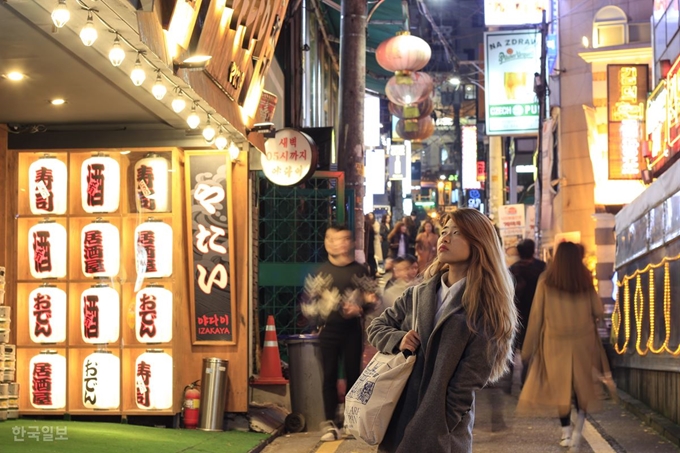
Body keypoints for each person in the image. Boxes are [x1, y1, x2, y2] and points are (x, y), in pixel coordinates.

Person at [367, 208, 518, 453]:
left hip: (440, 434)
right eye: (444, 231)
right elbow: (376, 327)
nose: (445, 238)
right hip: (398, 418)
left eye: (457, 233)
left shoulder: (485, 307)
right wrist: (398, 339)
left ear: (479, 243)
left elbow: (467, 383)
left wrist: (441, 424)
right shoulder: (418, 293)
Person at [518, 241, 606, 449]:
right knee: (581, 386)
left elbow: (537, 315)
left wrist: (527, 349)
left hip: (554, 343)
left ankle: (566, 432)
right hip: (583, 342)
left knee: (562, 388)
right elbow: (598, 310)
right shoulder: (584, 279)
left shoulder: (547, 280)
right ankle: (580, 426)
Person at [301, 224, 377, 441]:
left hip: (352, 330)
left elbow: (373, 298)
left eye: (343, 239)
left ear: (351, 242)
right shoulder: (320, 272)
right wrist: (319, 313)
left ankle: (351, 422)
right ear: (326, 242)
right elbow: (307, 304)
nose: (337, 243)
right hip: (328, 332)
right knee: (329, 376)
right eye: (332, 239)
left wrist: (360, 308)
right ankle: (329, 424)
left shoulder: (359, 270)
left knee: (355, 374)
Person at [508, 239, 546, 387]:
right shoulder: (541, 267)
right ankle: (528, 378)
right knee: (532, 346)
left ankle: (510, 379)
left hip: (517, 312)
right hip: (536, 311)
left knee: (514, 345)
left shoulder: (513, 269)